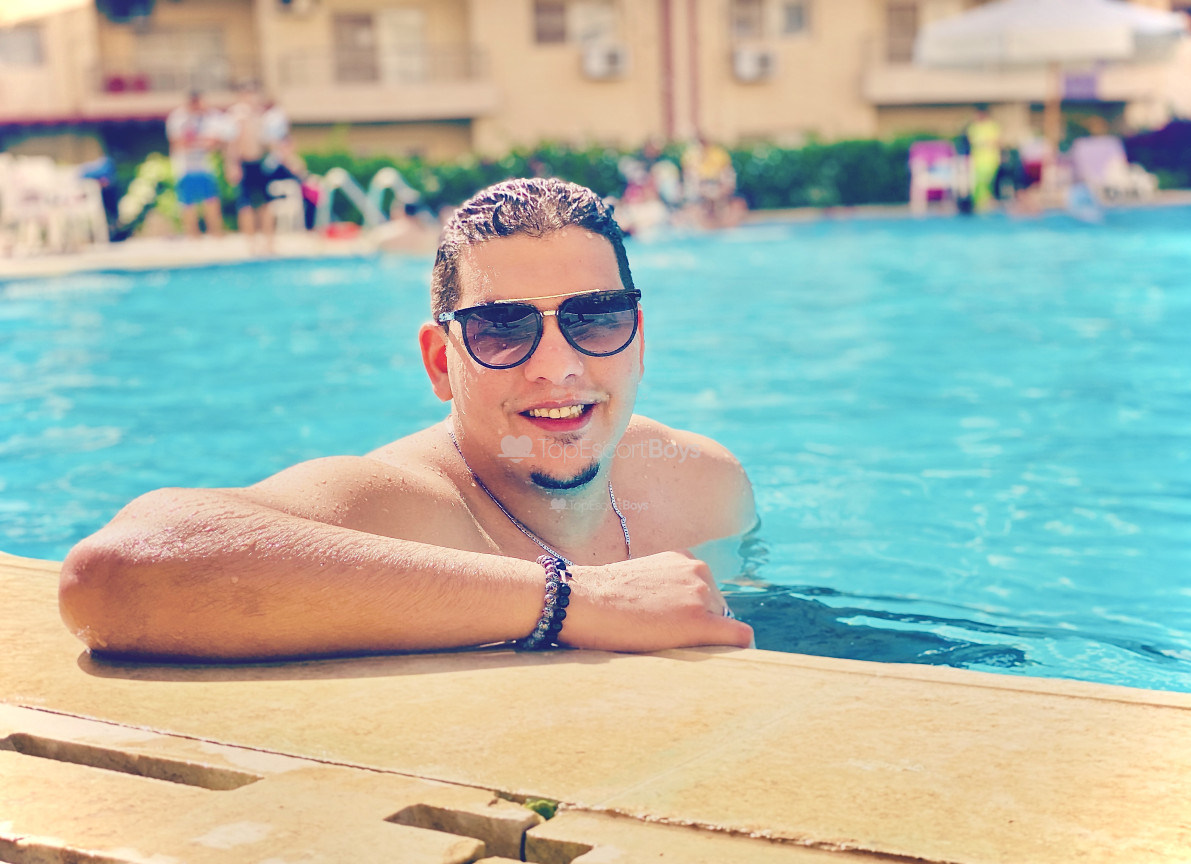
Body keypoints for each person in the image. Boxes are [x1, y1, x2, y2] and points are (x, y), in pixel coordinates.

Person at [58, 178, 755, 661]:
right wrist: (573, 600)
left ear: (639, 340)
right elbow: (112, 574)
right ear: (440, 362)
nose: (557, 366)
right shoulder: (394, 510)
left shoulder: (704, 487)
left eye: (595, 318)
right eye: (501, 329)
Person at [225, 82, 288, 253]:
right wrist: (232, 165)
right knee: (245, 205)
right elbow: (232, 143)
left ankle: (269, 242)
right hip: (244, 163)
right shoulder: (237, 115)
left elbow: (270, 141)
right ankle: (251, 244)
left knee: (267, 204)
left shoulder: (262, 115)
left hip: (261, 163)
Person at [165, 91, 224, 238]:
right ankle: (193, 235)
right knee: (187, 203)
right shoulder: (178, 118)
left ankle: (216, 233)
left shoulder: (208, 117)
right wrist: (201, 142)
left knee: (211, 200)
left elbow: (215, 141)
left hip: (205, 166)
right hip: (185, 167)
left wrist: (196, 142)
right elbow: (177, 142)